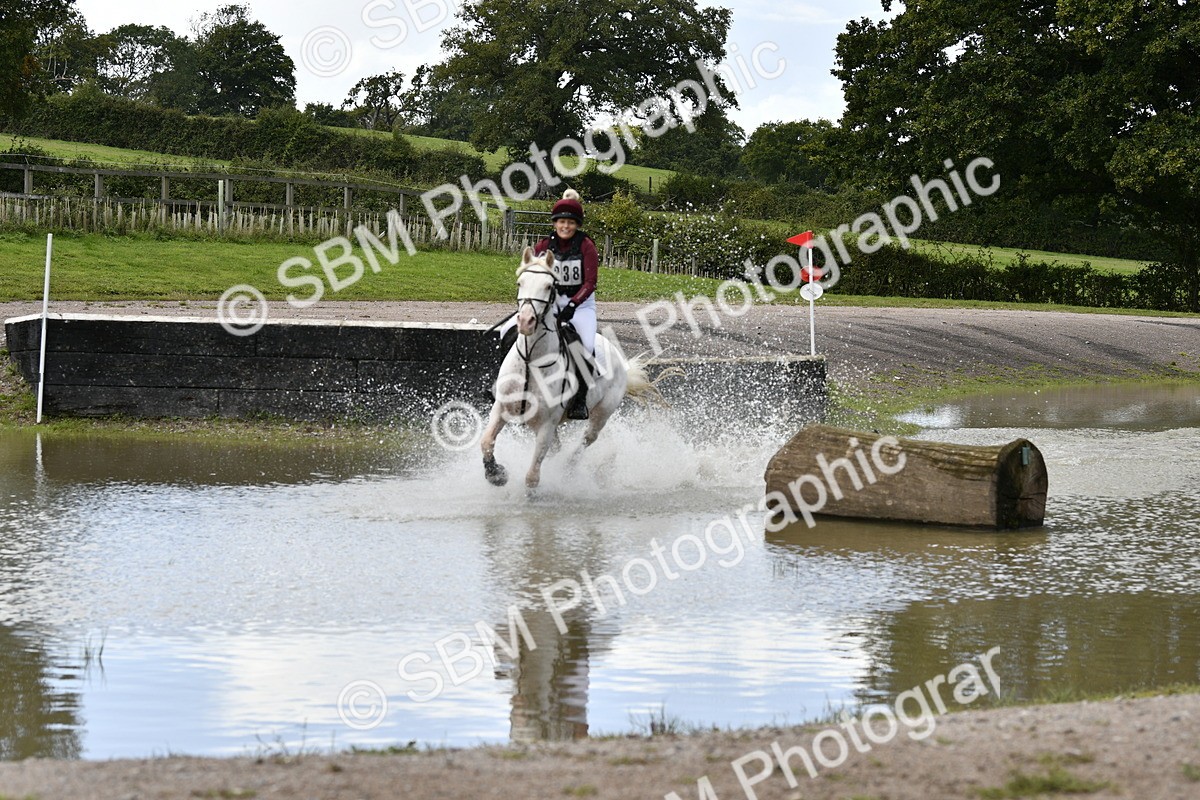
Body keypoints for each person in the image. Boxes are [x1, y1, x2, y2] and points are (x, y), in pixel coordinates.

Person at [497, 189, 599, 420]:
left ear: (577, 225)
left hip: (580, 306)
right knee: (506, 332)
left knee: (587, 345)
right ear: (555, 223)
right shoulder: (544, 245)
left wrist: (573, 305)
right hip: (546, 302)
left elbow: (591, 282)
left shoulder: (586, 246)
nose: (566, 226)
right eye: (561, 222)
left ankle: (579, 401)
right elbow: (533, 275)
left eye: (571, 223)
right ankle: (501, 386)